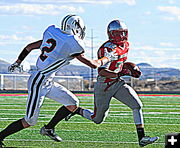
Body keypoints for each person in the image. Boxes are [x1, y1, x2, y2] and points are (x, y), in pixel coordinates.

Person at [0, 14, 118, 147]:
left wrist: (18, 62)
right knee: (30, 121)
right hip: (39, 81)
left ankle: (49, 128)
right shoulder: (72, 42)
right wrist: (107, 58)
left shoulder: (52, 32)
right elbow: (94, 64)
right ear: (75, 27)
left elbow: (29, 46)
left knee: (72, 103)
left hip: (47, 81)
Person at [65, 19, 159, 147]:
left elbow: (119, 64)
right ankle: (76, 111)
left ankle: (142, 138)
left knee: (137, 105)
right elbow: (102, 72)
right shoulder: (107, 49)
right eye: (118, 33)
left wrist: (129, 68)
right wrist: (120, 73)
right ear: (111, 34)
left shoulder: (126, 45)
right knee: (97, 119)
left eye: (123, 33)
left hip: (117, 83)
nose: (122, 36)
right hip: (104, 85)